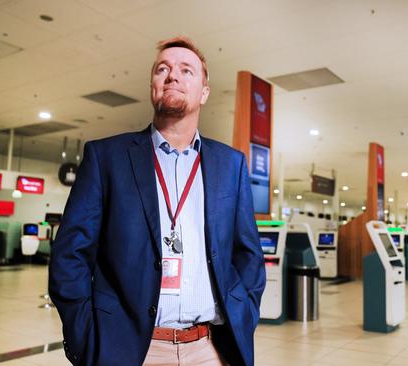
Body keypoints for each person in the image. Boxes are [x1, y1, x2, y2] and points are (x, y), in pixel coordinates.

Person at [49, 36, 265, 366]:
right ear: (152, 85)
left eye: (186, 70)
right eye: (162, 68)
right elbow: (70, 254)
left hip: (211, 349)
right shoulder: (107, 158)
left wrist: (245, 311)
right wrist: (87, 339)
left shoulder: (230, 164)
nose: (172, 75)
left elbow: (248, 254)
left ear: (204, 91)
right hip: (130, 350)